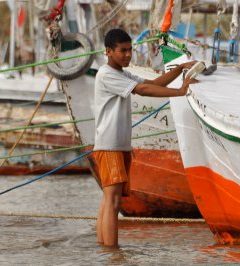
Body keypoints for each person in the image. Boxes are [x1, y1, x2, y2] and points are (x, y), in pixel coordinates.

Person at [93, 28, 198, 247]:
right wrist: (180, 92)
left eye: (130, 50)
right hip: (109, 146)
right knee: (111, 203)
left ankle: (105, 253)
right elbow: (143, 91)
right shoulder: (106, 74)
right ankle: (113, 255)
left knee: (108, 201)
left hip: (118, 145)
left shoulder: (121, 73)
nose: (128, 55)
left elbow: (155, 84)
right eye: (123, 51)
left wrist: (180, 69)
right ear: (109, 52)